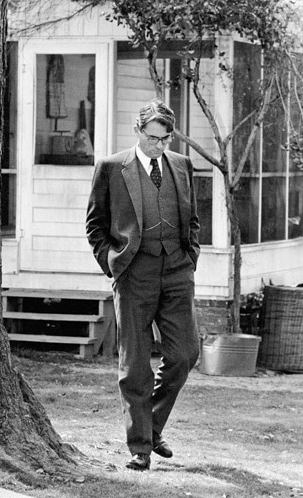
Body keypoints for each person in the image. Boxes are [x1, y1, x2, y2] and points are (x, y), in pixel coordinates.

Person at [86, 99, 200, 471]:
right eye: (154, 139)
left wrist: (191, 258)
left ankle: (151, 425)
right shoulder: (111, 168)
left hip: (177, 272)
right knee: (135, 364)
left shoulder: (182, 166)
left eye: (167, 139)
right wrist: (112, 263)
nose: (161, 146)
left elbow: (193, 220)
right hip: (134, 273)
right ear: (137, 131)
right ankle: (140, 448)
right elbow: (95, 225)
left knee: (184, 355)